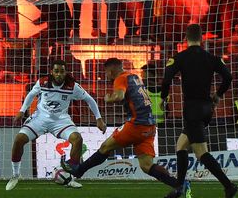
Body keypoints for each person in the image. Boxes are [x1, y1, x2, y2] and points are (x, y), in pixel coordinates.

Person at [61, 58, 179, 194]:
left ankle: (79, 170)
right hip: (150, 127)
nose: (106, 76)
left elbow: (119, 96)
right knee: (146, 166)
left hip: (136, 125)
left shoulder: (120, 78)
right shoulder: (134, 77)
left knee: (106, 146)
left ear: (111, 71)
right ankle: (179, 184)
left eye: (106, 72)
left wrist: (107, 98)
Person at [160, 24, 237, 198]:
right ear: (202, 38)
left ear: (185, 39)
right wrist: (218, 95)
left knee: (201, 152)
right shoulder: (212, 58)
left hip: (192, 109)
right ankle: (179, 187)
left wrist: (164, 97)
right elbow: (229, 77)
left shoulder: (180, 57)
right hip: (206, 108)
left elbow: (166, 80)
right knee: (181, 145)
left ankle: (228, 185)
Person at [6, 59, 105, 190]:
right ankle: (15, 175)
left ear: (66, 73)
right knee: (19, 140)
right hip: (39, 118)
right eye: (56, 71)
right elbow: (31, 94)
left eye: (62, 71)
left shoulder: (72, 86)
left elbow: (89, 99)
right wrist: (21, 111)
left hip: (61, 120)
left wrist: (99, 118)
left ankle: (70, 176)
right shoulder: (43, 82)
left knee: (77, 139)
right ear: (52, 72)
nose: (59, 74)